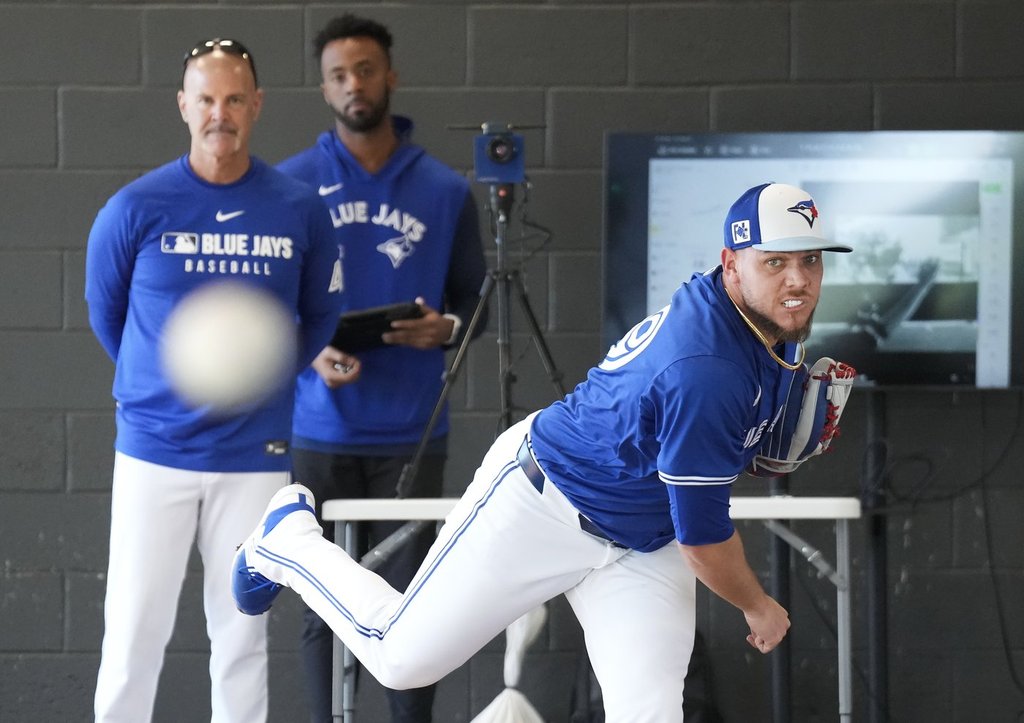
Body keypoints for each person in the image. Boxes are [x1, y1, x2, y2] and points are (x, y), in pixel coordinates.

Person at [232, 182, 853, 720]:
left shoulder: (764, 320)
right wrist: (759, 606)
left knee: (651, 712)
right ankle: (286, 541)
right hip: (545, 503)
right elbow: (704, 541)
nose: (797, 280)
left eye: (810, 261)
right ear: (731, 263)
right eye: (775, 262)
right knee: (400, 658)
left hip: (642, 538)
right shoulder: (706, 368)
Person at [85, 38, 341, 723]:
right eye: (205, 99)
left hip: (253, 457)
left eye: (233, 99)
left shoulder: (300, 211)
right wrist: (164, 388)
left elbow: (319, 315)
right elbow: (107, 318)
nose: (218, 114)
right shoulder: (135, 208)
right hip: (152, 453)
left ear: (256, 105)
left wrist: (257, 382)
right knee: (133, 635)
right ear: (183, 106)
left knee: (240, 637)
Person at [274, 13, 487, 723]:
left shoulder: (445, 189)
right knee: (321, 607)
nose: (353, 85)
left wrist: (446, 329)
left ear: (389, 75)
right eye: (338, 74)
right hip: (319, 431)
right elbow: (268, 306)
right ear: (324, 88)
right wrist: (308, 348)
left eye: (365, 69)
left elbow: (475, 299)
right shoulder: (291, 185)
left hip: (411, 432)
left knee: (411, 612)